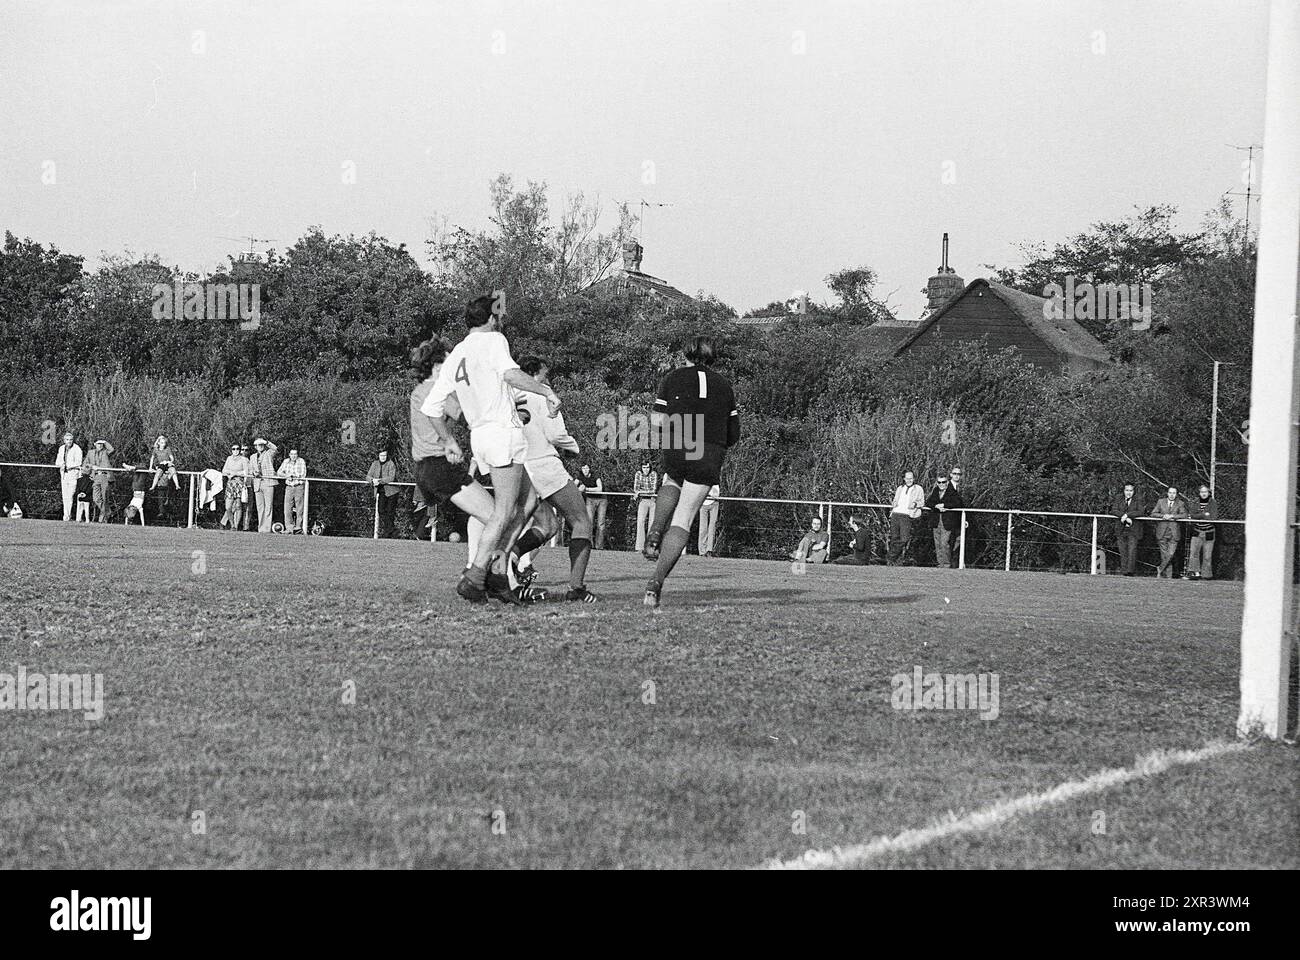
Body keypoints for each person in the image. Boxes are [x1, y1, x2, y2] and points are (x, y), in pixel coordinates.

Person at [419, 297, 560, 604]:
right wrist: (546, 391)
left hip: (480, 436)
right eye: (498, 315)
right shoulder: (495, 339)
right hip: (500, 433)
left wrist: (448, 440)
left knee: (530, 500)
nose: (500, 320)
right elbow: (510, 374)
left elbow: (431, 408)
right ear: (490, 318)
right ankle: (476, 575)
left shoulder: (457, 352)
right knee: (504, 511)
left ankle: (498, 569)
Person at [641, 335, 741, 607]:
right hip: (709, 452)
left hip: (679, 442)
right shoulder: (725, 385)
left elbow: (657, 421)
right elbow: (734, 434)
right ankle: (656, 582)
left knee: (672, 479)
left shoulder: (673, 378)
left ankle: (655, 530)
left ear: (686, 353)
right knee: (684, 518)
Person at [507, 356, 599, 602]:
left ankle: (510, 559)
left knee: (547, 525)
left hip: (519, 467)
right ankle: (576, 588)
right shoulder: (542, 392)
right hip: (544, 464)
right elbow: (556, 434)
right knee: (581, 521)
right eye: (545, 375)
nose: (548, 380)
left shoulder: (509, 394)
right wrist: (575, 448)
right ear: (535, 375)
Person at [925, 470, 963, 567]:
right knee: (937, 544)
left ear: (947, 482)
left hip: (947, 521)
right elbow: (929, 502)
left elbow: (957, 503)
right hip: (936, 521)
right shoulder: (935, 491)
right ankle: (940, 564)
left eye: (943, 482)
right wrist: (936, 506)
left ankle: (946, 564)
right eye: (939, 482)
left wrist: (944, 505)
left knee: (944, 543)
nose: (941, 484)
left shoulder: (952, 492)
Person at [888, 470, 925, 565]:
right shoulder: (900, 488)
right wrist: (894, 503)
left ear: (914, 478)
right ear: (904, 478)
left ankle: (890, 556)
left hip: (907, 515)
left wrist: (915, 504)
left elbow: (922, 502)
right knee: (894, 538)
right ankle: (895, 562)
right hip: (896, 514)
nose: (909, 480)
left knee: (904, 539)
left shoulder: (918, 489)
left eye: (911, 478)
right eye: (907, 478)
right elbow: (895, 500)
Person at [1110, 482, 1145, 576]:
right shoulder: (1119, 498)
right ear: (1124, 491)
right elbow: (1113, 510)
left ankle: (1130, 572)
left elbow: (1141, 511)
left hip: (1133, 530)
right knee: (1122, 551)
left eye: (1131, 490)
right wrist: (1123, 516)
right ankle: (1124, 571)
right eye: (1127, 490)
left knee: (1132, 551)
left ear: (1134, 491)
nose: (1128, 492)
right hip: (1121, 529)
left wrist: (1128, 515)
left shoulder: (1138, 500)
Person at [1152, 485, 1187, 579]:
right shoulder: (1160, 502)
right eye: (1170, 492)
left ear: (1176, 494)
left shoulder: (1180, 503)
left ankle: (1160, 568)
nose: (1172, 495)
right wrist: (1163, 516)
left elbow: (1184, 515)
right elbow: (1153, 513)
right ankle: (1168, 577)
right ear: (1167, 493)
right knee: (1164, 556)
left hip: (1174, 533)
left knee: (1170, 554)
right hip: (1162, 532)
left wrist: (1172, 516)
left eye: (1174, 493)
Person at [1185, 484, 1218, 580]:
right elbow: (1192, 515)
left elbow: (1213, 517)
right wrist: (1204, 515)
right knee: (1193, 553)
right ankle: (1194, 573)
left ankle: (1206, 575)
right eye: (1202, 492)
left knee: (1207, 555)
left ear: (1209, 493)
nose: (1204, 494)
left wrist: (1200, 515)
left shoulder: (1213, 503)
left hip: (1209, 532)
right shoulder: (1196, 502)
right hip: (1197, 531)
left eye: (1205, 492)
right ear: (1199, 493)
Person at [367, 450, 401, 538]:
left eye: (384, 455)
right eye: (381, 455)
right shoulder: (374, 464)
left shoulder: (391, 464)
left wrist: (380, 481)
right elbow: (368, 476)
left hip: (392, 492)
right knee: (381, 510)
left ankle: (388, 532)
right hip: (381, 491)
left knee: (390, 512)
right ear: (378, 455)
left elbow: (391, 477)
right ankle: (392, 530)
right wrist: (372, 480)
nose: (383, 457)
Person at [249, 438, 279, 534]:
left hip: (268, 482)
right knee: (260, 507)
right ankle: (261, 528)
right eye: (258, 445)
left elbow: (275, 449)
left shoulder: (269, 453)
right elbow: (250, 470)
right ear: (255, 447)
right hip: (258, 483)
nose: (260, 446)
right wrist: (254, 473)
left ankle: (267, 528)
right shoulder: (252, 457)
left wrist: (266, 442)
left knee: (268, 506)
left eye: (262, 444)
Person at [84, 438, 115, 523]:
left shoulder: (106, 452)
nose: (100, 445)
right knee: (96, 498)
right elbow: (85, 464)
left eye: (101, 444)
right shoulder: (90, 453)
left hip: (105, 476)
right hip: (96, 476)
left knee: (105, 498)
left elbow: (112, 449)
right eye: (98, 443)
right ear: (94, 444)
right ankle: (108, 512)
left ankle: (104, 518)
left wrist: (105, 441)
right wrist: (91, 466)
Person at [576, 464, 607, 549]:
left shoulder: (595, 475)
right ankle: (589, 545)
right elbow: (574, 486)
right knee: (589, 522)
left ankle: (599, 546)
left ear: (589, 469)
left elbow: (599, 488)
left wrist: (587, 489)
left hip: (602, 500)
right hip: (590, 500)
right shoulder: (580, 476)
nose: (585, 470)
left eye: (586, 468)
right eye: (583, 468)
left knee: (601, 524)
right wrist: (578, 489)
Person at [220, 443, 250, 530]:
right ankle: (231, 523)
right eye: (233, 449)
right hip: (230, 483)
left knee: (238, 506)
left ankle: (235, 526)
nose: (235, 450)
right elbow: (224, 470)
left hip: (239, 484)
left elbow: (246, 472)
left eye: (237, 449)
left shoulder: (243, 459)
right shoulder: (229, 458)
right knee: (228, 507)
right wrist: (230, 474)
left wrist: (235, 473)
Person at [277, 448, 308, 533]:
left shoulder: (301, 461)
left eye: (295, 454)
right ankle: (289, 528)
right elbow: (279, 472)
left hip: (299, 486)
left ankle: (298, 527)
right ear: (289, 455)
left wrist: (293, 475)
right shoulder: (286, 461)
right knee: (287, 508)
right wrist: (286, 475)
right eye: (292, 454)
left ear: (297, 455)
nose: (293, 456)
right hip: (289, 487)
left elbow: (303, 474)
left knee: (299, 508)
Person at [54, 432, 83, 521]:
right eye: (67, 440)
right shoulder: (61, 448)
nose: (69, 441)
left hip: (73, 473)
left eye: (70, 440)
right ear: (64, 440)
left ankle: (67, 515)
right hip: (64, 474)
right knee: (64, 496)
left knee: (70, 496)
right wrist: (62, 464)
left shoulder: (77, 449)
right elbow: (57, 461)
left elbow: (79, 462)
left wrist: (68, 465)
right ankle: (66, 515)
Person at [632, 462, 658, 552]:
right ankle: (640, 548)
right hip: (643, 500)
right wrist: (639, 492)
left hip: (653, 500)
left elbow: (653, 490)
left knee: (652, 524)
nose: (646, 469)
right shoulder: (638, 474)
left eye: (647, 467)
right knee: (640, 522)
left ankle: (650, 548)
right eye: (644, 467)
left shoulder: (653, 474)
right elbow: (636, 488)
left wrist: (639, 492)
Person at [697, 483, 720, 556]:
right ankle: (702, 551)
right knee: (703, 528)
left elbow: (716, 492)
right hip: (703, 504)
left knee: (712, 527)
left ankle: (709, 550)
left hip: (714, 502)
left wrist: (711, 493)